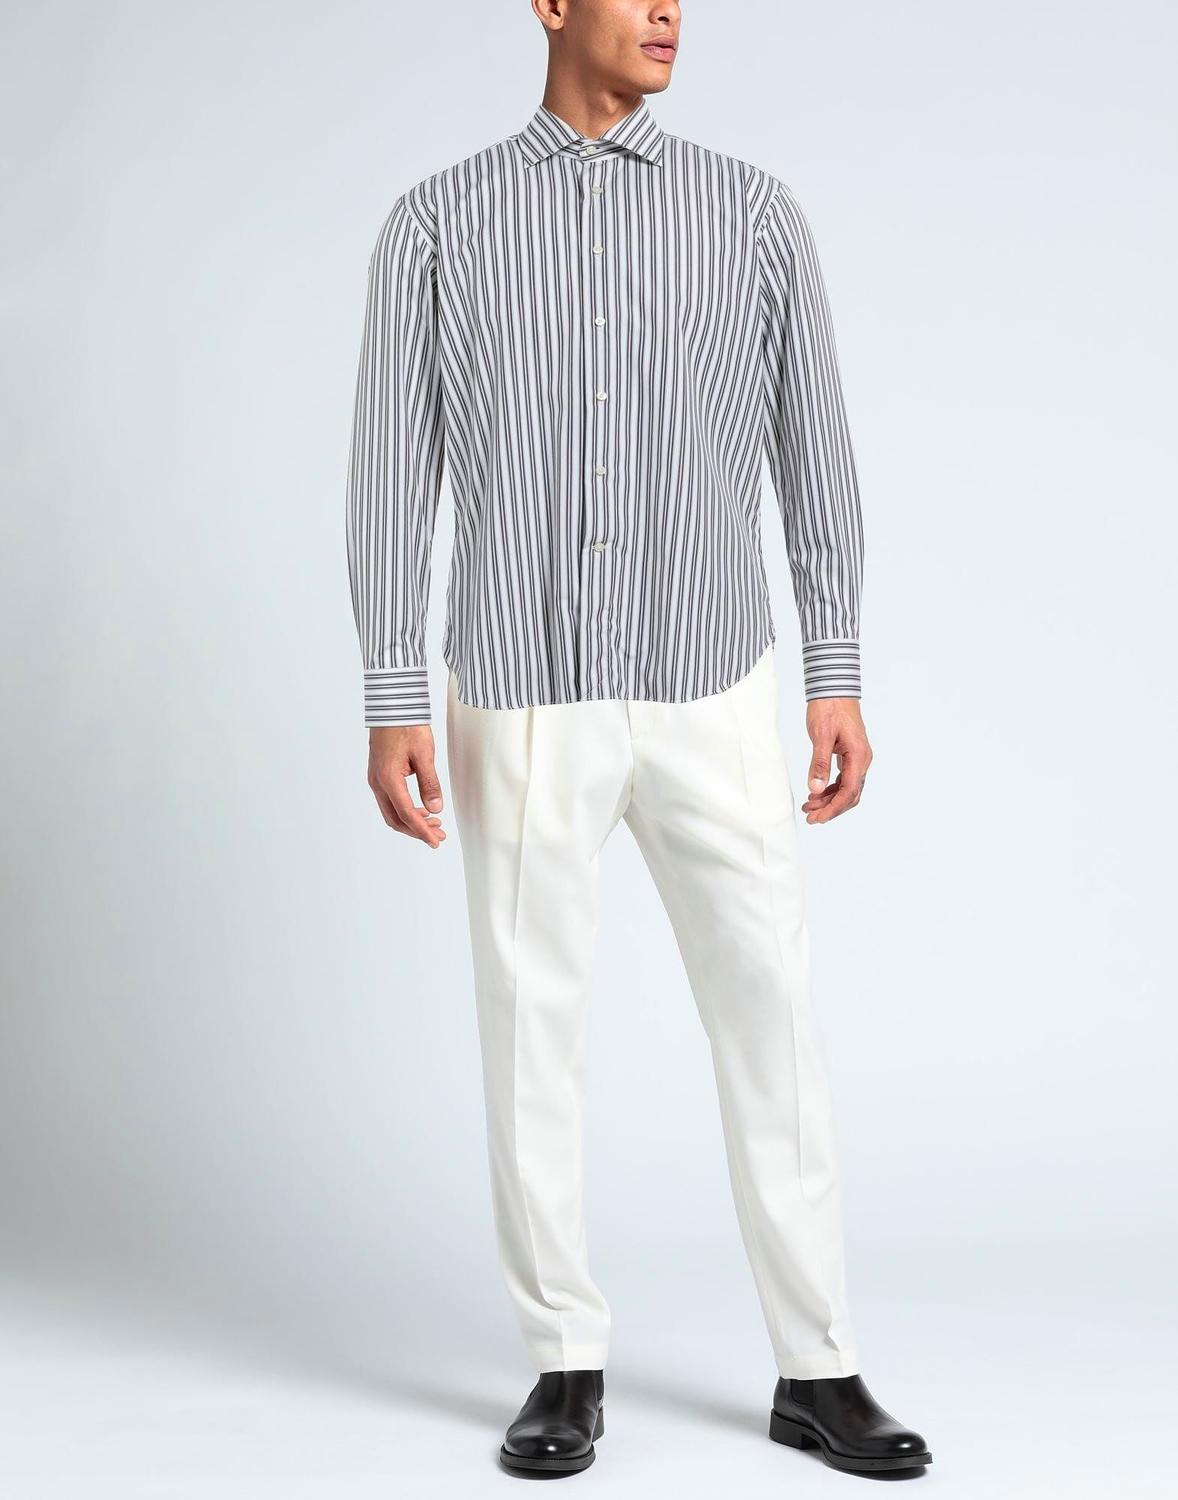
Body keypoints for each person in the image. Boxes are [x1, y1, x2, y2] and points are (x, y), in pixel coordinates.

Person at [345, 0, 931, 1478]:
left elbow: (814, 448)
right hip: (519, 680)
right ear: (550, 2)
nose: (669, 8)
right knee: (529, 1029)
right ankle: (563, 1359)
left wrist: (835, 669)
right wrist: (391, 691)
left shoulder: (752, 214)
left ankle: (818, 1367)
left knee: (769, 1019)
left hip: (710, 676)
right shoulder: (437, 226)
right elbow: (390, 472)